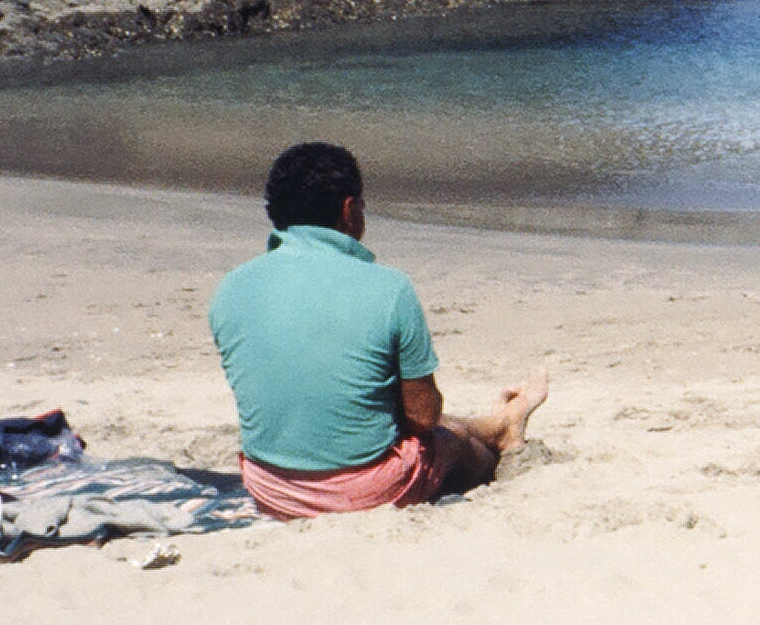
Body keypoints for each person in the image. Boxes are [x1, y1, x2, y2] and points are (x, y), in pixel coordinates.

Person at [209, 142, 548, 519]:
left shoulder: (231, 288)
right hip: (365, 491)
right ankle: (502, 433)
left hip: (270, 488)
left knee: (397, 420)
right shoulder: (390, 289)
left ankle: (499, 422)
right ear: (349, 209)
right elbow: (423, 416)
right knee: (452, 443)